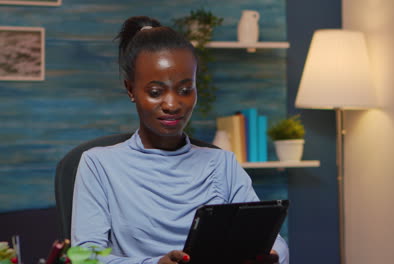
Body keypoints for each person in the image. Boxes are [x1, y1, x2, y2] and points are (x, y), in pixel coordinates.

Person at [71, 16, 289, 264]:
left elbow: (273, 239)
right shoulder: (99, 165)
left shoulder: (221, 163)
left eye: (185, 90)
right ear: (130, 89)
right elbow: (85, 258)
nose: (173, 105)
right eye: (155, 92)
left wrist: (271, 254)